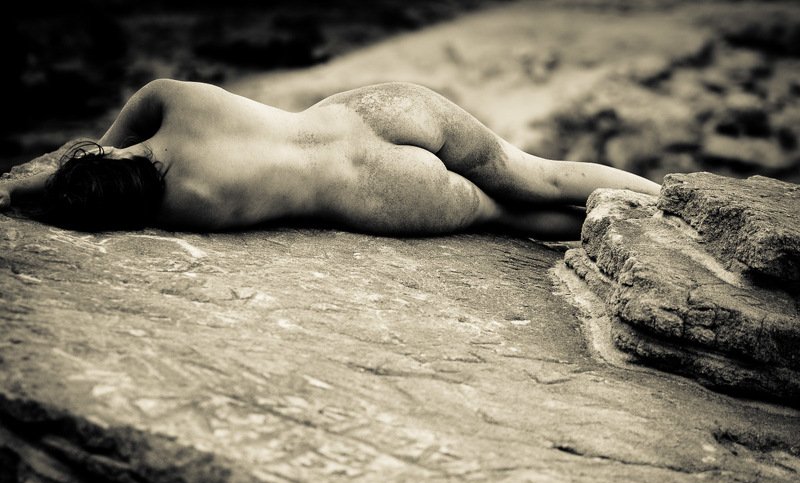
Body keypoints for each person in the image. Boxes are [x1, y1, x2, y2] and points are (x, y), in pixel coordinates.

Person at [0, 78, 660, 239]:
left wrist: (37, 202)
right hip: (373, 111)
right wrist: (63, 164)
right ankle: (671, 206)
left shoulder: (187, 205)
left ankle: (617, 241)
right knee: (537, 175)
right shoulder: (175, 103)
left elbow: (78, 192)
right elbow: (90, 147)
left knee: (510, 221)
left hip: (379, 187)